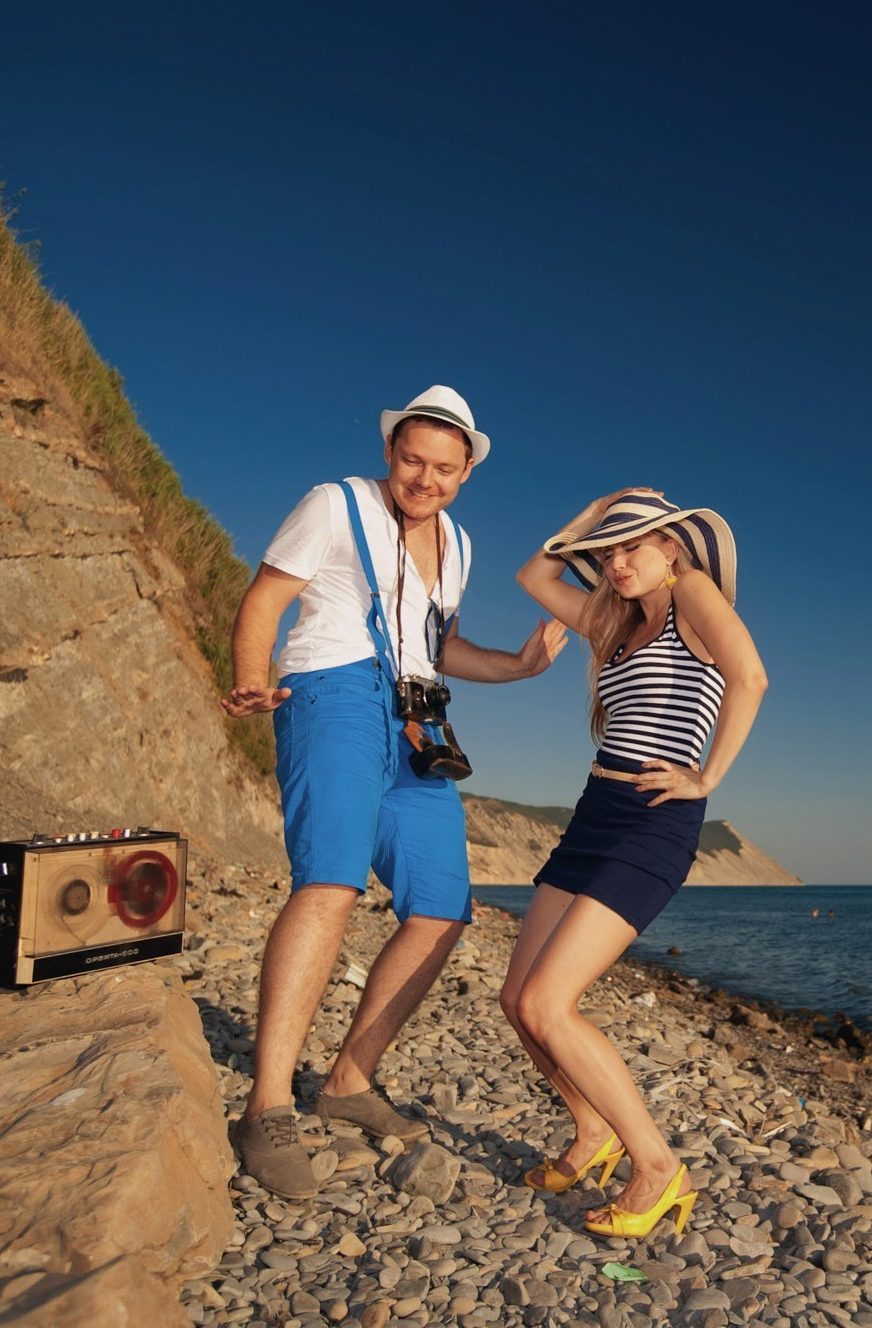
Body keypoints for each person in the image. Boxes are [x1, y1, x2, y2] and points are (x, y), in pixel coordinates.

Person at [219, 385, 567, 1198]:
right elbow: (266, 598)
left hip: (420, 724)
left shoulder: (461, 542)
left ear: (466, 472)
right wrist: (248, 677)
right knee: (331, 883)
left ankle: (347, 1078)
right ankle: (266, 1101)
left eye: (444, 467)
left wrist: (517, 666)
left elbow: (439, 647)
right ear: (390, 453)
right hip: (333, 692)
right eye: (413, 459)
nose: (426, 478)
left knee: (442, 909)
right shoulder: (333, 503)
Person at [502, 489, 767, 1238]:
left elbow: (751, 677)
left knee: (552, 1003)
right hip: (594, 814)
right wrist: (592, 512)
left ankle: (658, 1168)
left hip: (654, 824)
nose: (617, 563)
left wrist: (707, 776)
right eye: (608, 552)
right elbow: (533, 577)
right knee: (518, 999)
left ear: (673, 550)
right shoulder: (614, 622)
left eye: (633, 547)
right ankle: (592, 1131)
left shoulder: (691, 594)